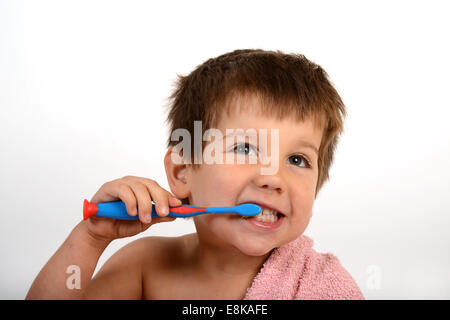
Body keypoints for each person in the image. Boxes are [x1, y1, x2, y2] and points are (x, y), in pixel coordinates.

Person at [26, 49, 364, 299]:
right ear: (183, 171)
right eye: (245, 149)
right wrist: (90, 238)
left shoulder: (321, 284)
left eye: (297, 159)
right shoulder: (145, 266)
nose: (272, 178)